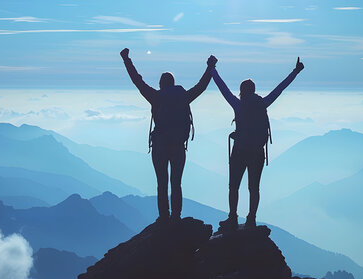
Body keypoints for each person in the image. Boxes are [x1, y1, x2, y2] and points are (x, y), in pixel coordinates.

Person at [121, 48, 215, 222]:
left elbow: (137, 80)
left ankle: (164, 217)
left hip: (160, 146)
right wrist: (210, 67)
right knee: (176, 183)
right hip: (178, 145)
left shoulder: (156, 97)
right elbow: (201, 86)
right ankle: (176, 217)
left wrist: (126, 59)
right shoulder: (184, 97)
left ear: (161, 84)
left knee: (162, 183)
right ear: (173, 83)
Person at [211, 57, 305, 228]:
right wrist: (295, 72)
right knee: (254, 188)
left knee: (234, 187)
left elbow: (222, 88)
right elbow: (280, 88)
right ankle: (251, 219)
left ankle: (232, 218)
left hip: (239, 151)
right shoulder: (263, 103)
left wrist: (212, 69)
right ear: (254, 91)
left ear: (242, 91)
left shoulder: (238, 105)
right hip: (257, 152)